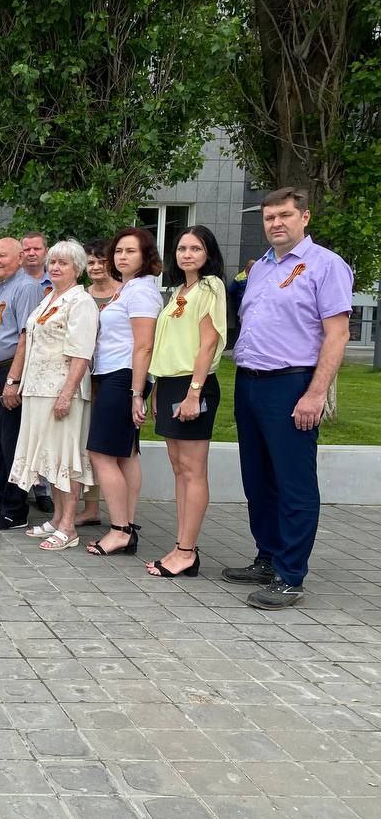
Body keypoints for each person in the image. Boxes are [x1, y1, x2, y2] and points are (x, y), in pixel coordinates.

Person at [223, 188, 353, 610]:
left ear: (305, 217)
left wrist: (315, 394)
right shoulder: (260, 268)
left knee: (294, 483)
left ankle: (290, 574)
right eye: (269, 217)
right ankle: (268, 557)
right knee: (258, 480)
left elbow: (337, 334)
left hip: (291, 385)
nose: (276, 223)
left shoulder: (326, 266)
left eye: (284, 215)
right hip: (250, 382)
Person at [146, 225, 227, 579]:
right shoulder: (179, 290)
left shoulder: (211, 287)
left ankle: (186, 550)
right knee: (179, 470)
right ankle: (182, 544)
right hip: (169, 383)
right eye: (181, 248)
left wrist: (194, 392)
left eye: (195, 248)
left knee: (193, 471)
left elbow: (207, 343)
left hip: (194, 384)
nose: (187, 254)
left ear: (208, 253)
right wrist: (155, 390)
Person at [9, 240, 99, 550]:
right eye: (53, 262)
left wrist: (67, 393)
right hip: (38, 389)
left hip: (62, 390)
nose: (55, 267)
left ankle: (69, 526)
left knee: (65, 458)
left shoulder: (81, 301)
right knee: (48, 457)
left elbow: (81, 353)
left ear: (78, 268)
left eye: (63, 262)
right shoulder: (50, 298)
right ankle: (58, 518)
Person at [85, 227, 162, 556]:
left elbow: (144, 346)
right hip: (117, 375)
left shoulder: (140, 291)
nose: (122, 257)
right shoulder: (128, 289)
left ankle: (119, 530)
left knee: (100, 453)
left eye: (130, 251)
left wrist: (136, 393)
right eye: (118, 251)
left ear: (146, 256)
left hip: (123, 377)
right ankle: (126, 523)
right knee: (126, 453)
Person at [0, 239, 46, 530]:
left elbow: (26, 337)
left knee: (12, 444)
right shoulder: (4, 287)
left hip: (9, 376)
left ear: (19, 258)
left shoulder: (27, 287)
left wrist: (13, 381)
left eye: (1, 256)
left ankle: (15, 510)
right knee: (1, 445)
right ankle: (5, 502)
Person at [77, 239, 118, 527]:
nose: (96, 267)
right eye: (90, 262)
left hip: (115, 376)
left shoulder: (124, 294)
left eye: (101, 261)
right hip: (85, 378)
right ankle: (90, 508)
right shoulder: (81, 297)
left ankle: (121, 512)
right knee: (87, 441)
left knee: (112, 447)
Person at [20, 231, 55, 515]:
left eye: (36, 248)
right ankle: (16, 483)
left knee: (43, 430)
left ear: (45, 252)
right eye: (26, 249)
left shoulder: (54, 284)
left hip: (46, 366)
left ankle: (43, 488)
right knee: (18, 429)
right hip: (18, 364)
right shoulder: (12, 282)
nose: (31, 253)